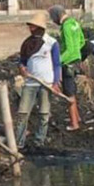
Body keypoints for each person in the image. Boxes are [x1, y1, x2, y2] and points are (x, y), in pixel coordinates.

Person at [16, 12, 61, 148]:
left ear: (41, 28)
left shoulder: (51, 43)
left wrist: (55, 83)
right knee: (23, 113)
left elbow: (57, 64)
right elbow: (22, 61)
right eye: (30, 26)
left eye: (34, 27)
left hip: (46, 84)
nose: (31, 29)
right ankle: (19, 142)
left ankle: (39, 141)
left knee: (44, 114)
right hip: (30, 83)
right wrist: (22, 68)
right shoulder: (27, 44)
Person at [48, 5, 85, 131]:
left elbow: (68, 49)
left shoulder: (66, 26)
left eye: (52, 18)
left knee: (69, 94)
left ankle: (74, 124)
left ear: (57, 16)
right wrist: (76, 53)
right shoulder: (75, 23)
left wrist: (57, 61)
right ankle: (77, 117)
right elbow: (82, 42)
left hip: (68, 63)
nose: (53, 21)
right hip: (77, 60)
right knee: (72, 91)